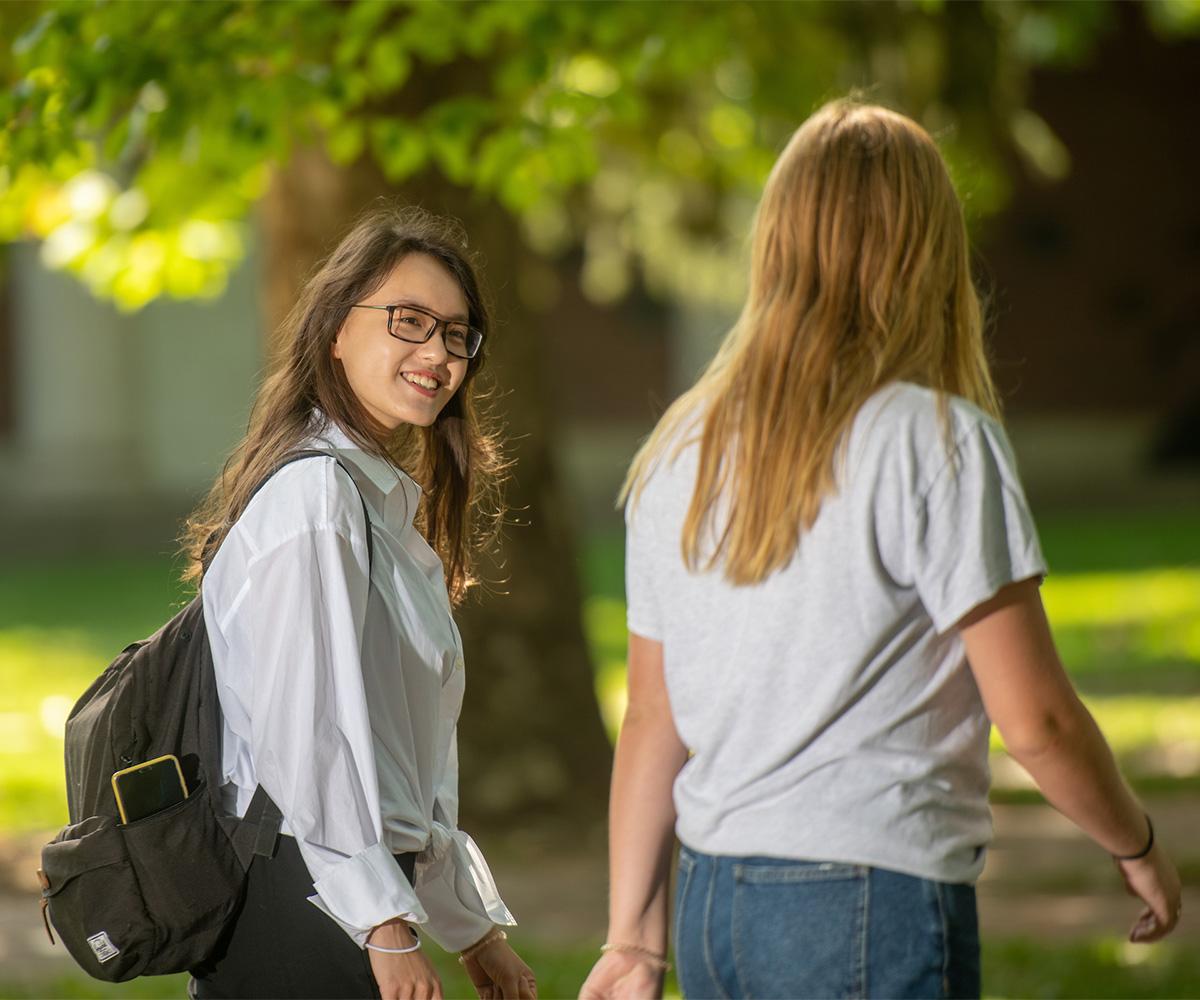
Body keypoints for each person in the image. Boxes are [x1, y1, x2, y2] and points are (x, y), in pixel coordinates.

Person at [580, 100, 1182, 1000]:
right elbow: (1038, 722)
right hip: (870, 894)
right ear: (926, 251)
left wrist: (632, 937)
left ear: (776, 242)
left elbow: (652, 718)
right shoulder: (933, 438)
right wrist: (1135, 842)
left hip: (715, 905)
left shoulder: (680, 449)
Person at [181, 205, 536, 1000]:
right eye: (408, 321)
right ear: (337, 327)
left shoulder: (374, 504)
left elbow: (400, 761)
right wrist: (383, 924)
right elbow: (307, 737)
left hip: (339, 893)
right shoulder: (316, 497)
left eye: (456, 334)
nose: (437, 353)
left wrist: (468, 925)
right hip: (301, 898)